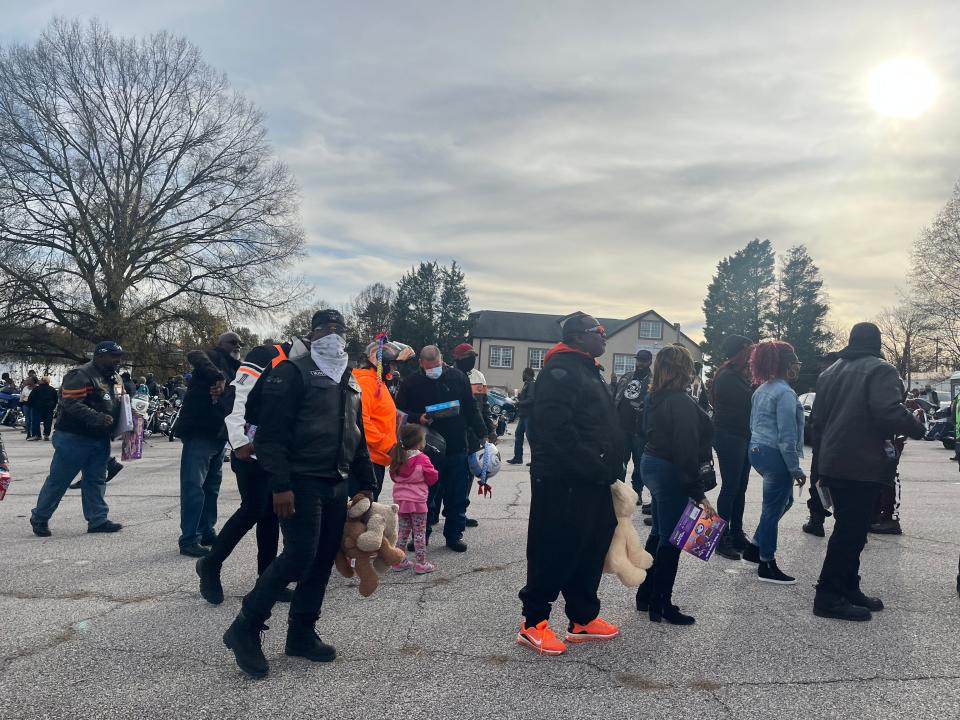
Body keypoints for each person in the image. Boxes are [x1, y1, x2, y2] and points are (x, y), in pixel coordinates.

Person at [222, 309, 377, 679]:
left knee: (322, 559)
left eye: (340, 329)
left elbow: (355, 433)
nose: (333, 335)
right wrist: (280, 483)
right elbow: (271, 435)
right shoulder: (291, 372)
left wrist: (366, 481)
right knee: (298, 557)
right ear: (311, 333)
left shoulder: (349, 379)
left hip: (335, 481)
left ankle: (301, 632)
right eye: (325, 329)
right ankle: (245, 626)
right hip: (300, 481)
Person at [517, 312, 622, 656]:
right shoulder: (559, 371)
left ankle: (582, 618)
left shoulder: (587, 367)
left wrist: (612, 462)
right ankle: (533, 623)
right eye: (599, 331)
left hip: (593, 478)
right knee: (554, 548)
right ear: (578, 336)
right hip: (564, 479)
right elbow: (555, 430)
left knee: (591, 546)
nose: (604, 337)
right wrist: (593, 465)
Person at [811, 323, 925, 621]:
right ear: (877, 343)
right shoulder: (881, 370)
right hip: (861, 462)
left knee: (852, 528)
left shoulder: (830, 372)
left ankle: (849, 586)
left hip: (834, 460)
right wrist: (915, 424)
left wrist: (821, 461)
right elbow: (887, 412)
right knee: (850, 531)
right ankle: (828, 595)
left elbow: (817, 421)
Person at [196, 339, 301, 605]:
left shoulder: (303, 364)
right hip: (248, 444)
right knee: (254, 507)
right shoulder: (266, 354)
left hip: (274, 445)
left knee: (270, 514)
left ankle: (267, 580)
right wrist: (239, 441)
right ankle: (210, 563)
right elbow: (236, 395)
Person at [634, 344, 716, 625]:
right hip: (669, 468)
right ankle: (661, 602)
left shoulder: (654, 396)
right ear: (685, 370)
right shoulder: (680, 401)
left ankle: (647, 594)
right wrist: (697, 491)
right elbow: (685, 447)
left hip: (652, 462)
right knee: (672, 538)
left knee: (659, 531)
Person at [395, 345, 491, 553]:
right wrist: (416, 417)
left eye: (436, 366)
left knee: (457, 495)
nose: (433, 370)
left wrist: (484, 433)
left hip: (457, 444)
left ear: (442, 361)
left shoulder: (457, 377)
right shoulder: (411, 383)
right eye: (429, 367)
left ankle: (454, 535)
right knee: (424, 496)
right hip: (425, 449)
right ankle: (422, 535)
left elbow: (470, 407)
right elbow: (399, 410)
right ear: (421, 363)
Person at [29, 341, 126, 536]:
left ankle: (98, 520)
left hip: (99, 437)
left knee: (96, 479)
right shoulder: (80, 375)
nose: (117, 360)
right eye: (113, 356)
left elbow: (117, 401)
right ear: (100, 356)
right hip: (74, 437)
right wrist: (97, 417)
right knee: (59, 480)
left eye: (119, 356)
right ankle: (40, 517)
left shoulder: (113, 377)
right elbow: (71, 403)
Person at [740, 341, 806, 584]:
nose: (798, 367)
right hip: (774, 453)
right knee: (773, 507)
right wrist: (795, 468)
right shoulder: (786, 393)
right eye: (796, 363)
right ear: (788, 365)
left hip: (757, 449)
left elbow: (752, 424)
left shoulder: (762, 389)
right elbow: (786, 436)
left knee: (782, 501)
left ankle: (755, 546)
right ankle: (766, 563)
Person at [173, 332, 242, 557]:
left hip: (219, 434)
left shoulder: (238, 367)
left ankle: (206, 530)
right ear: (221, 344)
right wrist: (218, 376)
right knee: (194, 486)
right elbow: (194, 354)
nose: (237, 345)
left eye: (239, 343)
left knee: (211, 487)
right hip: (199, 432)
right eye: (233, 342)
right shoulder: (212, 357)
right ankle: (189, 539)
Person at [351, 337, 413, 500]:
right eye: (393, 364)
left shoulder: (378, 382)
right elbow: (361, 422)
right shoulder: (365, 382)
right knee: (360, 515)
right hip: (367, 459)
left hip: (376, 458)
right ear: (382, 363)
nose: (394, 369)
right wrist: (388, 446)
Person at [711, 335, 755, 560]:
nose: (752, 355)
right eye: (749, 350)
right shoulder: (727, 376)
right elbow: (751, 400)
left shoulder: (737, 375)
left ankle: (736, 532)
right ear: (739, 351)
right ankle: (722, 537)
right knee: (731, 487)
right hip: (729, 435)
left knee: (740, 487)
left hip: (741, 435)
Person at [389, 423, 439, 574]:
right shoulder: (423, 459)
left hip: (401, 500)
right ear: (419, 442)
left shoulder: (397, 456)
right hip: (417, 501)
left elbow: (393, 476)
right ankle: (421, 563)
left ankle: (398, 561)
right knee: (419, 532)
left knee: (403, 531)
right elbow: (432, 477)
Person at [803, 352, 838, 537]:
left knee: (819, 483)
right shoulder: (852, 383)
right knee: (843, 485)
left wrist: (815, 438)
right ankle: (848, 525)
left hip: (825, 444)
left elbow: (817, 416)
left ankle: (816, 521)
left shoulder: (825, 380)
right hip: (845, 445)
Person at [613, 350, 653, 505]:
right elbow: (616, 397)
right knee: (620, 462)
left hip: (640, 431)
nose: (640, 363)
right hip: (622, 427)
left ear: (649, 362)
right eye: (638, 360)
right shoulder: (627, 377)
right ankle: (621, 494)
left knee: (639, 464)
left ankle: (637, 493)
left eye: (643, 361)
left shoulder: (653, 381)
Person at [508, 368, 536, 464]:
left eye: (523, 374)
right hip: (524, 415)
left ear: (527, 374)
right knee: (518, 434)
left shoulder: (532, 384)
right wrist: (518, 397)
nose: (522, 376)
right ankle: (518, 458)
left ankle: (535, 460)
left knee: (531, 437)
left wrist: (518, 403)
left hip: (529, 415)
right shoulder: (527, 384)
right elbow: (525, 397)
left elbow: (531, 400)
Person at [28, 376, 58, 441]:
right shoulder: (52, 389)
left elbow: (30, 398)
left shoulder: (36, 389)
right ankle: (46, 435)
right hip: (49, 408)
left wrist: (31, 405)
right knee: (48, 421)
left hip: (37, 407)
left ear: (43, 381)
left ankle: (36, 435)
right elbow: (56, 399)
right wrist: (53, 406)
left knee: (36, 421)